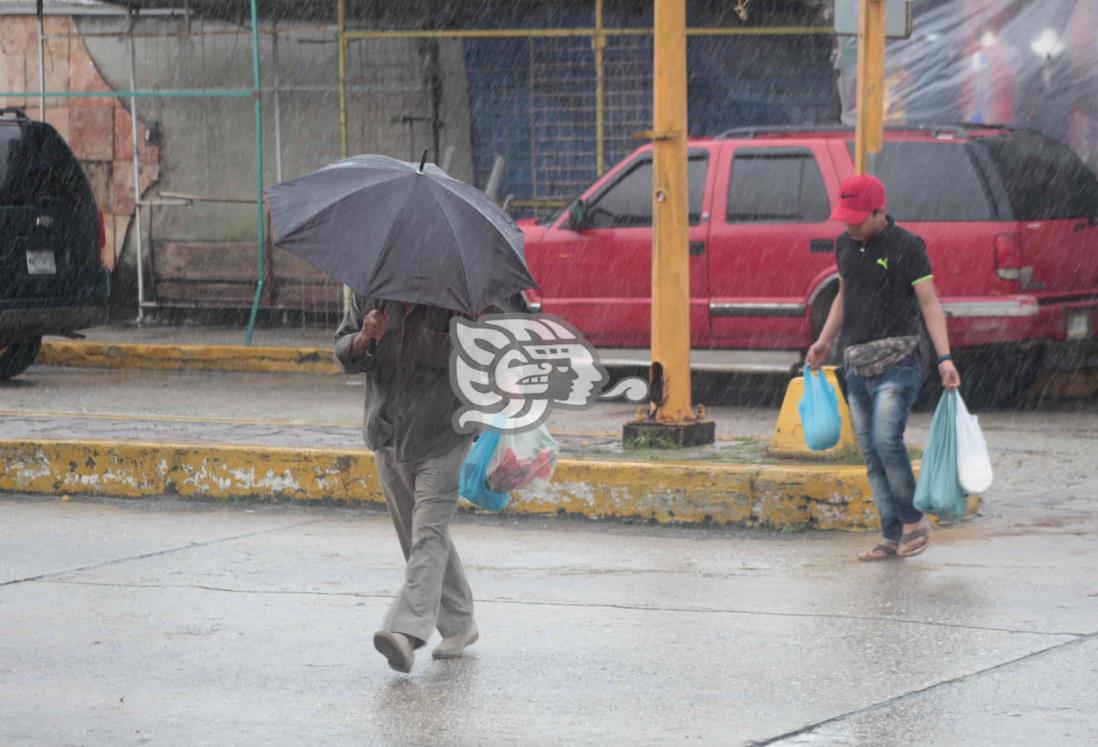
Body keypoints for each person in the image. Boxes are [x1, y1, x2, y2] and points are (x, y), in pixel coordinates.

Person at [806, 174, 961, 561]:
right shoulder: (844, 244)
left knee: (886, 439)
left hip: (899, 360)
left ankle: (913, 521)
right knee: (871, 454)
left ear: (882, 212)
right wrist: (824, 341)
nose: (851, 226)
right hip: (855, 362)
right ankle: (890, 535)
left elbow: (929, 304)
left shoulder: (908, 246)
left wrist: (945, 358)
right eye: (846, 219)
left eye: (859, 219)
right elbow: (844, 296)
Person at [334, 294, 479, 672]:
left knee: (427, 536)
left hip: (443, 435)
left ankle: (405, 632)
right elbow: (344, 352)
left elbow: (490, 360)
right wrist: (366, 337)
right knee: (418, 537)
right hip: (388, 432)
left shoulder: (460, 296)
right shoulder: (370, 289)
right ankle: (461, 623)